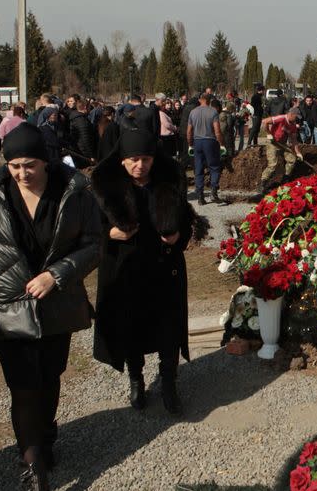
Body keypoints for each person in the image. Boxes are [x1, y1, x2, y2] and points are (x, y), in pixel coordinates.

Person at [0, 123, 101, 489]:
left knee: (50, 378)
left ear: (45, 161)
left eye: (29, 165)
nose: (22, 173)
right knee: (24, 387)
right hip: (7, 306)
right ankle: (33, 463)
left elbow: (95, 244)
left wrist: (57, 275)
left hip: (56, 305)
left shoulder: (75, 193)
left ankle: (45, 436)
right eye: (14, 166)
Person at [91, 129, 192, 419]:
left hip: (164, 269)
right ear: (122, 160)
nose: (140, 166)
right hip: (127, 270)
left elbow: (186, 219)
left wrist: (179, 237)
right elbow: (88, 230)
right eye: (134, 160)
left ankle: (169, 384)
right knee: (131, 327)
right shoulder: (106, 190)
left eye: (146, 159)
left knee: (169, 329)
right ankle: (136, 379)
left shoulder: (168, 183)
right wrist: (109, 233)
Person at [187, 93, 223, 205]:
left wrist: (190, 144)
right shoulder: (213, 112)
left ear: (200, 100)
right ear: (209, 100)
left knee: (198, 168)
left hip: (197, 141)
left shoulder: (193, 112)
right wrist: (221, 144)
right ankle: (213, 191)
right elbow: (217, 130)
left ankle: (200, 196)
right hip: (210, 141)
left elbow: (189, 131)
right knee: (214, 166)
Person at [260, 107, 303, 192]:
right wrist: (268, 133)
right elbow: (265, 121)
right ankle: (263, 183)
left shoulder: (293, 125)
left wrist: (298, 153)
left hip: (282, 144)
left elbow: (294, 140)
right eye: (296, 116)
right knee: (273, 165)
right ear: (291, 114)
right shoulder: (281, 118)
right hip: (272, 142)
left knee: (292, 159)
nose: (297, 119)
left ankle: (285, 180)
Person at [68, 100, 97, 167]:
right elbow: (85, 139)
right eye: (89, 107)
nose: (90, 109)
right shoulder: (81, 121)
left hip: (80, 150)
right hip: (83, 153)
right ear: (85, 107)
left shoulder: (78, 117)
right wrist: (91, 155)